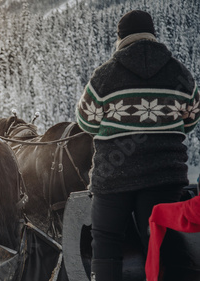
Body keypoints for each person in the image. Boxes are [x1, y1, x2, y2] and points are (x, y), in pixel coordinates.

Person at [75, 10, 200, 281]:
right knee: (163, 245)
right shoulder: (180, 73)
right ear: (152, 35)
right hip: (165, 178)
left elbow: (86, 121)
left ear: (121, 39)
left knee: (106, 240)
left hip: (113, 176)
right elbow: (191, 119)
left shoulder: (104, 75)